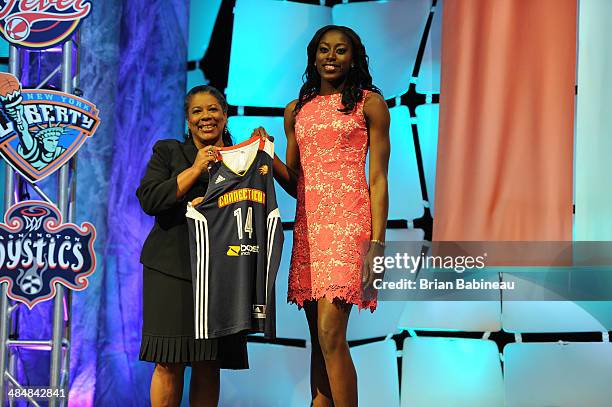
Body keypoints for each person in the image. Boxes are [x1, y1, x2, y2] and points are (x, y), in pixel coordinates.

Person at [255, 25, 390, 407]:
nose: (331, 57)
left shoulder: (370, 104)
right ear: (313, 57)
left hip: (351, 226)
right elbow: (295, 181)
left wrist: (376, 245)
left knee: (331, 333)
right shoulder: (296, 111)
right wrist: (267, 156)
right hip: (310, 230)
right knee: (317, 338)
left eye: (341, 50)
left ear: (354, 57)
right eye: (324, 50)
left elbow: (378, 180)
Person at [136, 85, 248, 407]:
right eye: (197, 111)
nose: (205, 117)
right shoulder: (169, 152)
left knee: (208, 362)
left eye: (212, 109)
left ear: (225, 115)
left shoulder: (242, 158)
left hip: (220, 273)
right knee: (168, 361)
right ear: (187, 120)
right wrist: (195, 170)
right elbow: (150, 199)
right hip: (171, 268)